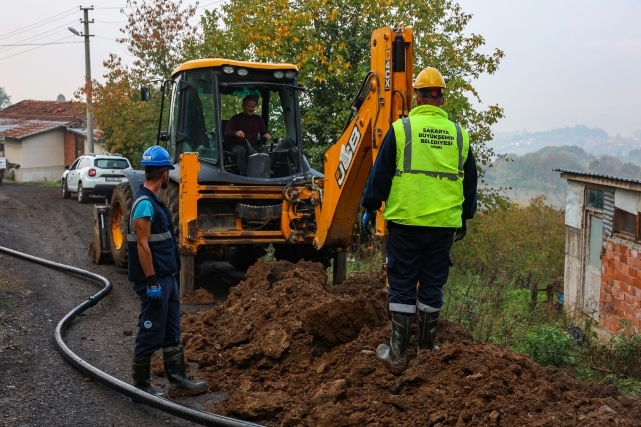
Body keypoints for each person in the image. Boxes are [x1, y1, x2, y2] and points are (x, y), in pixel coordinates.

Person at [361, 67, 478, 373]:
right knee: (432, 284)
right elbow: (469, 183)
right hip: (443, 226)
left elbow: (381, 174)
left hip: (406, 222)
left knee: (402, 284)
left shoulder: (402, 130)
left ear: (417, 96)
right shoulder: (459, 135)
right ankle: (426, 350)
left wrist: (370, 205)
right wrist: (464, 217)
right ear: (442, 99)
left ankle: (398, 354)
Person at [128, 145, 208, 398]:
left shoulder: (155, 202)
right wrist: (151, 282)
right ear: (164, 175)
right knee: (150, 331)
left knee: (172, 332)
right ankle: (141, 388)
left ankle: (178, 382)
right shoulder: (144, 204)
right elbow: (142, 246)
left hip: (167, 277)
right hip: (155, 280)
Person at [224, 95, 271, 176]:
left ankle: (265, 172)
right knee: (241, 151)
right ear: (243, 106)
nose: (251, 109)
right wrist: (235, 133)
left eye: (253, 107)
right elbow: (227, 131)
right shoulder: (236, 118)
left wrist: (266, 134)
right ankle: (245, 175)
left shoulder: (258, 119)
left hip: (252, 145)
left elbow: (263, 131)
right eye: (249, 106)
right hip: (237, 145)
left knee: (264, 150)